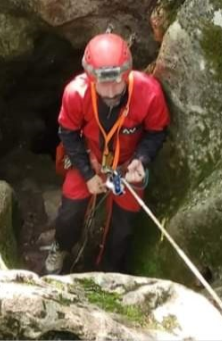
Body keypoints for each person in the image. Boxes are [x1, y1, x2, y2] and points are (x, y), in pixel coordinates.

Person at [45, 32, 170, 274]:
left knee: (124, 225)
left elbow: (157, 131)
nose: (111, 92)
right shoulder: (76, 93)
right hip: (89, 158)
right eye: (103, 83)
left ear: (127, 73)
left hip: (126, 166)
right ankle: (61, 246)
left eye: (117, 82)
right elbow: (68, 133)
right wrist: (87, 173)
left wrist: (141, 160)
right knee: (70, 211)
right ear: (91, 78)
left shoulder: (148, 92)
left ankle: (110, 270)